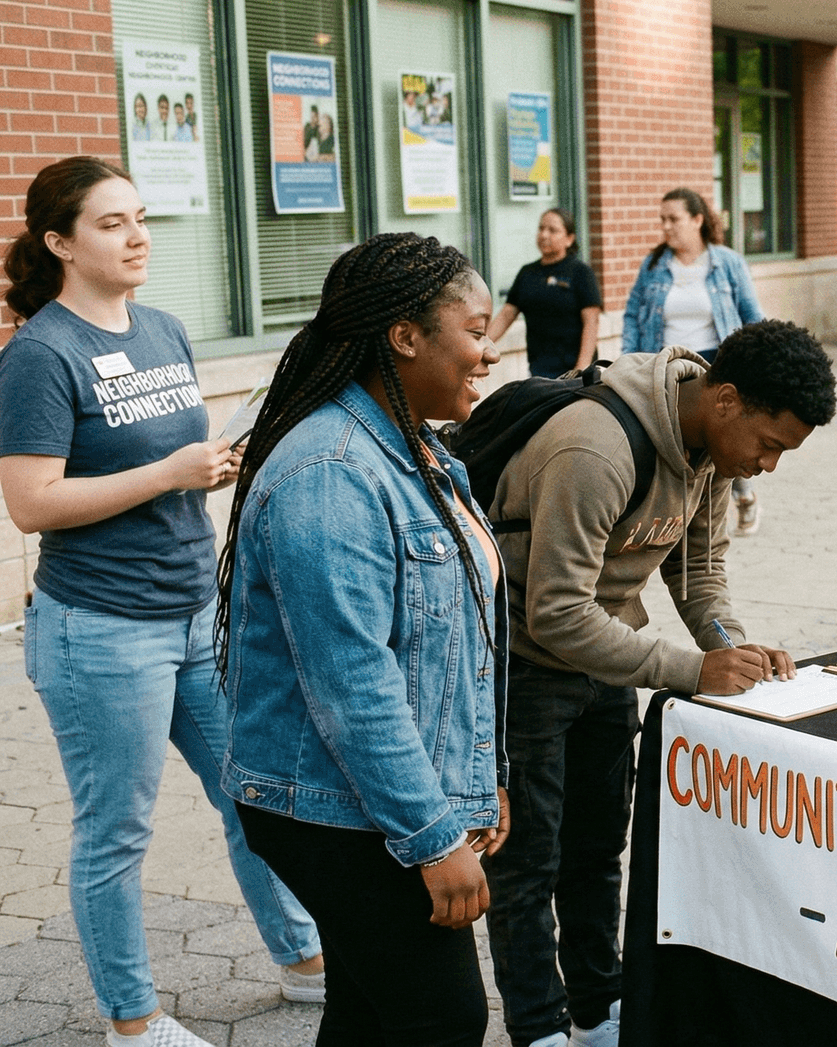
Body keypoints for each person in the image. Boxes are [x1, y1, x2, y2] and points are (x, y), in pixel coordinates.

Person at [0, 157, 324, 1047]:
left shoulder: (167, 329)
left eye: (141, 218)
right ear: (60, 243)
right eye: (112, 224)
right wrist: (167, 474)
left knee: (252, 796)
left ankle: (303, 960)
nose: (139, 236)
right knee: (117, 830)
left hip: (195, 613)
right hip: (101, 630)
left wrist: (218, 464)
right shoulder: (39, 354)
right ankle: (132, 1019)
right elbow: (31, 504)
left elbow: (177, 467)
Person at [483, 319, 835, 1047]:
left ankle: (595, 1006)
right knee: (528, 861)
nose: (768, 466)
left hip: (606, 660)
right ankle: (537, 1025)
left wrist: (730, 647)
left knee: (598, 846)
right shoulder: (596, 446)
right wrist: (689, 668)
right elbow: (555, 613)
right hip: (525, 668)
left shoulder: (709, 450)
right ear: (728, 399)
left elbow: (698, 572)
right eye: (770, 445)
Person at [218, 232, 505, 1044]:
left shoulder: (416, 448)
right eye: (476, 331)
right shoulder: (332, 470)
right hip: (332, 806)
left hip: (371, 793)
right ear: (405, 337)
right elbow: (353, 681)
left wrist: (485, 775)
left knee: (368, 1009)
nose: (489, 353)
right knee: (441, 1015)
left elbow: (464, 643)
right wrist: (433, 836)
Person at [620, 187, 767, 534]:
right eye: (663, 220)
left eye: (674, 219)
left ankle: (742, 495)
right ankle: (682, 515)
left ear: (698, 219)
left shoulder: (727, 263)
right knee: (672, 442)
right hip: (666, 367)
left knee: (721, 441)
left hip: (717, 366)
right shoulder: (655, 265)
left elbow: (751, 315)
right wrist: (627, 360)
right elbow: (631, 314)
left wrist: (760, 364)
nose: (666, 227)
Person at [489, 208, 604, 378]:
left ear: (569, 239)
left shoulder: (580, 272)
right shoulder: (527, 273)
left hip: (575, 372)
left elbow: (591, 322)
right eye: (541, 228)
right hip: (540, 372)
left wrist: (581, 369)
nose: (544, 235)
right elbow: (506, 315)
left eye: (553, 230)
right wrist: (482, 345)